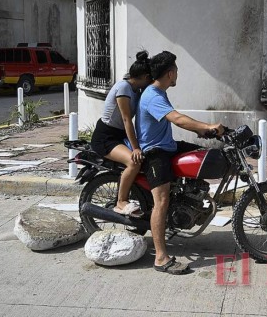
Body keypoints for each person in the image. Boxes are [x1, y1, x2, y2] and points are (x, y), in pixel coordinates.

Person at [136, 51, 224, 274]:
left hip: (167, 146)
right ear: (170, 73)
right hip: (155, 152)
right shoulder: (153, 96)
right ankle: (161, 258)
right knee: (161, 201)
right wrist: (206, 126)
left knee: (201, 154)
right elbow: (177, 119)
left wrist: (206, 134)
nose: (178, 74)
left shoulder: (160, 92)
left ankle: (189, 200)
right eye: (176, 70)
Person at [90, 51, 152, 218]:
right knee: (134, 162)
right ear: (145, 77)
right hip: (106, 137)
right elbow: (126, 120)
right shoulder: (123, 87)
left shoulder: (136, 90)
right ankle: (121, 202)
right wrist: (136, 148)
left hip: (119, 135)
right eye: (150, 79)